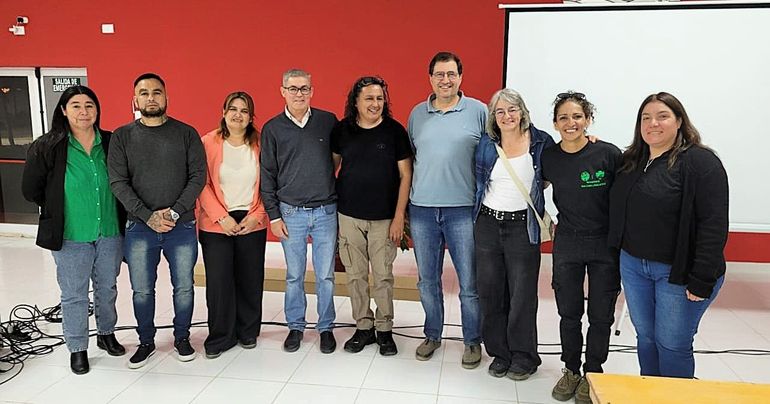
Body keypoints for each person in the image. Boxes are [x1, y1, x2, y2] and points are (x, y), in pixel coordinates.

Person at [608, 92, 728, 379]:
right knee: (646, 338)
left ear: (679, 121)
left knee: (672, 344)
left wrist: (701, 279)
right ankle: (651, 392)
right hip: (634, 266)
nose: (653, 124)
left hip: (678, 272)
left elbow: (713, 224)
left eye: (662, 116)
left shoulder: (700, 162)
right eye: (646, 118)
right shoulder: (631, 161)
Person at [22, 85, 126, 375]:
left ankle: (106, 334)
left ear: (97, 110)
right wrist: (57, 203)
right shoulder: (49, 145)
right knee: (74, 294)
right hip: (70, 235)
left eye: (89, 105)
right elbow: (31, 189)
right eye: (76, 105)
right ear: (64, 110)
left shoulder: (111, 141)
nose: (84, 111)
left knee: (107, 288)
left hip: (109, 230)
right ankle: (77, 348)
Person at [108, 73, 207, 369]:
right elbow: (118, 181)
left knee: (184, 287)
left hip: (182, 225)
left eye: (157, 92)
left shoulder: (186, 133)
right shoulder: (122, 136)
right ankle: (146, 341)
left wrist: (174, 212)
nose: (151, 97)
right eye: (144, 92)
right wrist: (148, 216)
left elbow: (197, 176)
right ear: (135, 99)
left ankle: (182, 338)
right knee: (141, 289)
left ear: (166, 97)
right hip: (140, 228)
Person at [407, 51, 486, 369]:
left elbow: (505, 145)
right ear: (430, 78)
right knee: (427, 280)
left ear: (461, 77)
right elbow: (412, 158)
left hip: (463, 210)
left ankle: (472, 341)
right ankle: (432, 335)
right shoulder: (417, 113)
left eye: (451, 74)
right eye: (439, 74)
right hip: (423, 210)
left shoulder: (479, 111)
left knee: (469, 282)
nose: (445, 80)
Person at [541, 92, 621, 404]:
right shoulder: (549, 157)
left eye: (577, 116)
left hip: (604, 244)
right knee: (569, 313)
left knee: (601, 316)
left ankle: (593, 373)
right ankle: (571, 370)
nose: (571, 123)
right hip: (568, 243)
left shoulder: (608, 154)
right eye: (564, 118)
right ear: (555, 124)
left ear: (588, 119)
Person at [473, 88, 555, 380]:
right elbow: (479, 182)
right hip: (487, 224)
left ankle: (524, 356)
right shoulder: (486, 143)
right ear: (493, 117)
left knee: (522, 295)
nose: (507, 116)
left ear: (522, 111)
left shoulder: (542, 141)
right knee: (491, 292)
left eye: (512, 109)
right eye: (500, 111)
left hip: (522, 226)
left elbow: (554, 172)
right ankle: (500, 352)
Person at [332, 76, 412, 356]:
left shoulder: (394, 132)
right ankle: (363, 326)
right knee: (354, 274)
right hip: (349, 215)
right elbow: (333, 168)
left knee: (382, 276)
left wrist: (399, 215)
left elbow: (406, 175)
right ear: (355, 101)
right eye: (369, 98)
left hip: (384, 219)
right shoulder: (342, 130)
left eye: (379, 98)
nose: (375, 104)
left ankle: (385, 329)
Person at [260, 69, 338, 354]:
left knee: (325, 275)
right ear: (282, 91)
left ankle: (326, 326)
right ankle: (295, 325)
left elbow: (337, 160)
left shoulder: (328, 122)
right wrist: (274, 215)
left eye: (304, 89)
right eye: (293, 89)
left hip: (326, 212)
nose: (298, 94)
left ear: (312, 91)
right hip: (290, 212)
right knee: (294, 274)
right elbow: (267, 173)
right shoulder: (272, 129)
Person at [197, 91, 268, 359]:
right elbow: (200, 183)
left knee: (250, 279)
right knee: (219, 282)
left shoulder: (261, 143)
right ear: (224, 112)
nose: (238, 115)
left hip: (252, 220)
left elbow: (270, 185)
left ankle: (248, 331)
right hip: (217, 224)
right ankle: (220, 336)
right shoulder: (207, 142)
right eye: (233, 109)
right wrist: (220, 217)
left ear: (251, 117)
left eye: (244, 110)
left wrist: (256, 216)